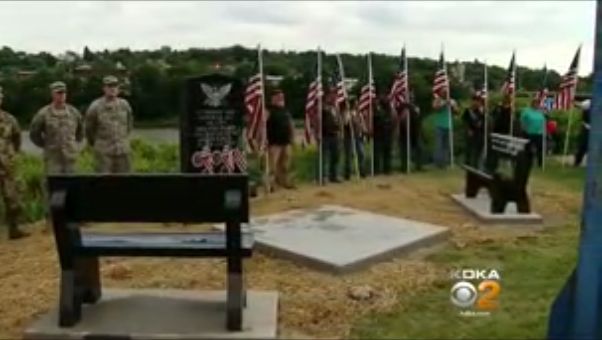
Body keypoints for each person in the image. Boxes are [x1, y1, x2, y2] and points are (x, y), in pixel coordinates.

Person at [29, 81, 84, 174]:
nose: (61, 95)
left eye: (63, 93)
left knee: (72, 184)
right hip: (53, 158)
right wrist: (46, 145)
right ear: (52, 94)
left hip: (70, 157)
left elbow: (80, 131)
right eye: (58, 93)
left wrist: (74, 145)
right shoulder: (43, 113)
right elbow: (34, 133)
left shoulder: (74, 112)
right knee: (54, 185)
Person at [86, 75, 134, 173]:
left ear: (118, 89)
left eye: (115, 86)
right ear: (104, 88)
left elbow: (129, 124)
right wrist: (96, 143)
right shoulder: (95, 106)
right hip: (104, 152)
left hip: (122, 150)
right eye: (109, 86)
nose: (112, 89)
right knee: (104, 183)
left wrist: (123, 139)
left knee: (125, 182)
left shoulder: (124, 105)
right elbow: (89, 129)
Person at [0, 86, 27, 239]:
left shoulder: (9, 119)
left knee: (13, 197)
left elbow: (17, 139)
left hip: (7, 165)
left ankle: (14, 229)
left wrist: (11, 155)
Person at [266, 88, 295, 190]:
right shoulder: (268, 110)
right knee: (272, 165)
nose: (281, 98)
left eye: (282, 97)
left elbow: (291, 124)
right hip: (274, 142)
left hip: (286, 141)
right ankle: (270, 184)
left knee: (285, 164)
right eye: (279, 97)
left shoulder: (285, 110)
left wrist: (292, 138)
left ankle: (284, 181)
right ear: (273, 98)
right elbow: (262, 125)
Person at [432, 88, 459, 169]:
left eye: (446, 92)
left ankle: (445, 163)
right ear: (440, 93)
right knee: (439, 145)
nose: (445, 93)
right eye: (443, 92)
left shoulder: (452, 101)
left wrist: (453, 107)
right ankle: (438, 163)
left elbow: (457, 111)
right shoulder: (437, 100)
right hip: (439, 125)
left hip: (448, 125)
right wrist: (444, 103)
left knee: (446, 146)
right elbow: (435, 108)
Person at [395, 93, 423, 172]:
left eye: (412, 97)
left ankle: (419, 166)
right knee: (404, 151)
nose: (412, 98)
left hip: (415, 131)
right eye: (410, 97)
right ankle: (404, 167)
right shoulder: (401, 107)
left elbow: (418, 114)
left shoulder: (415, 107)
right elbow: (400, 118)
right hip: (404, 132)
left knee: (419, 149)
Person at [320, 89, 341, 183]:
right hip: (325, 134)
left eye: (335, 95)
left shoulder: (335, 107)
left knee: (335, 156)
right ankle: (323, 176)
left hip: (335, 134)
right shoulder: (322, 107)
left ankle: (334, 175)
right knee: (324, 157)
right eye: (332, 95)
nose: (334, 97)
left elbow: (338, 120)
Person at [343, 99, 367, 179]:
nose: (357, 105)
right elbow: (345, 123)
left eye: (358, 104)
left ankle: (362, 172)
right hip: (350, 138)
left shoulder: (359, 114)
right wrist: (349, 117)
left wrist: (364, 131)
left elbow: (362, 124)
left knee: (361, 154)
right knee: (349, 156)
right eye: (356, 104)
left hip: (359, 137)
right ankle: (347, 173)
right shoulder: (348, 113)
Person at [520, 97, 546, 168]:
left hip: (539, 133)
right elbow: (522, 121)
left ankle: (540, 163)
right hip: (529, 133)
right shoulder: (526, 111)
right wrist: (524, 129)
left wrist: (543, 130)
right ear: (532, 104)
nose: (537, 105)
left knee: (540, 149)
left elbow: (543, 121)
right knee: (528, 149)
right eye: (535, 103)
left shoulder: (540, 112)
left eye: (538, 103)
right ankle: (527, 162)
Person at [462, 94, 486, 167]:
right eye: (474, 101)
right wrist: (468, 129)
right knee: (469, 148)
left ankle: (476, 164)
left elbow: (485, 120)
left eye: (478, 101)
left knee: (478, 149)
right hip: (470, 132)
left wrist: (482, 115)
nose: (476, 103)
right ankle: (467, 163)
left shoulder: (482, 111)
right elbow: (464, 120)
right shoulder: (468, 110)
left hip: (479, 133)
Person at [373, 95, 394, 175]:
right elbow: (377, 120)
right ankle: (376, 170)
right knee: (378, 153)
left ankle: (387, 169)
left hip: (387, 133)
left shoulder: (388, 110)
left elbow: (391, 120)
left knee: (387, 152)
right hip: (378, 134)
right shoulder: (376, 110)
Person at [574, 99, 591, 167]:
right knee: (583, 146)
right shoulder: (588, 102)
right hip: (587, 128)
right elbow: (581, 105)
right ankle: (577, 162)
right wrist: (574, 103)